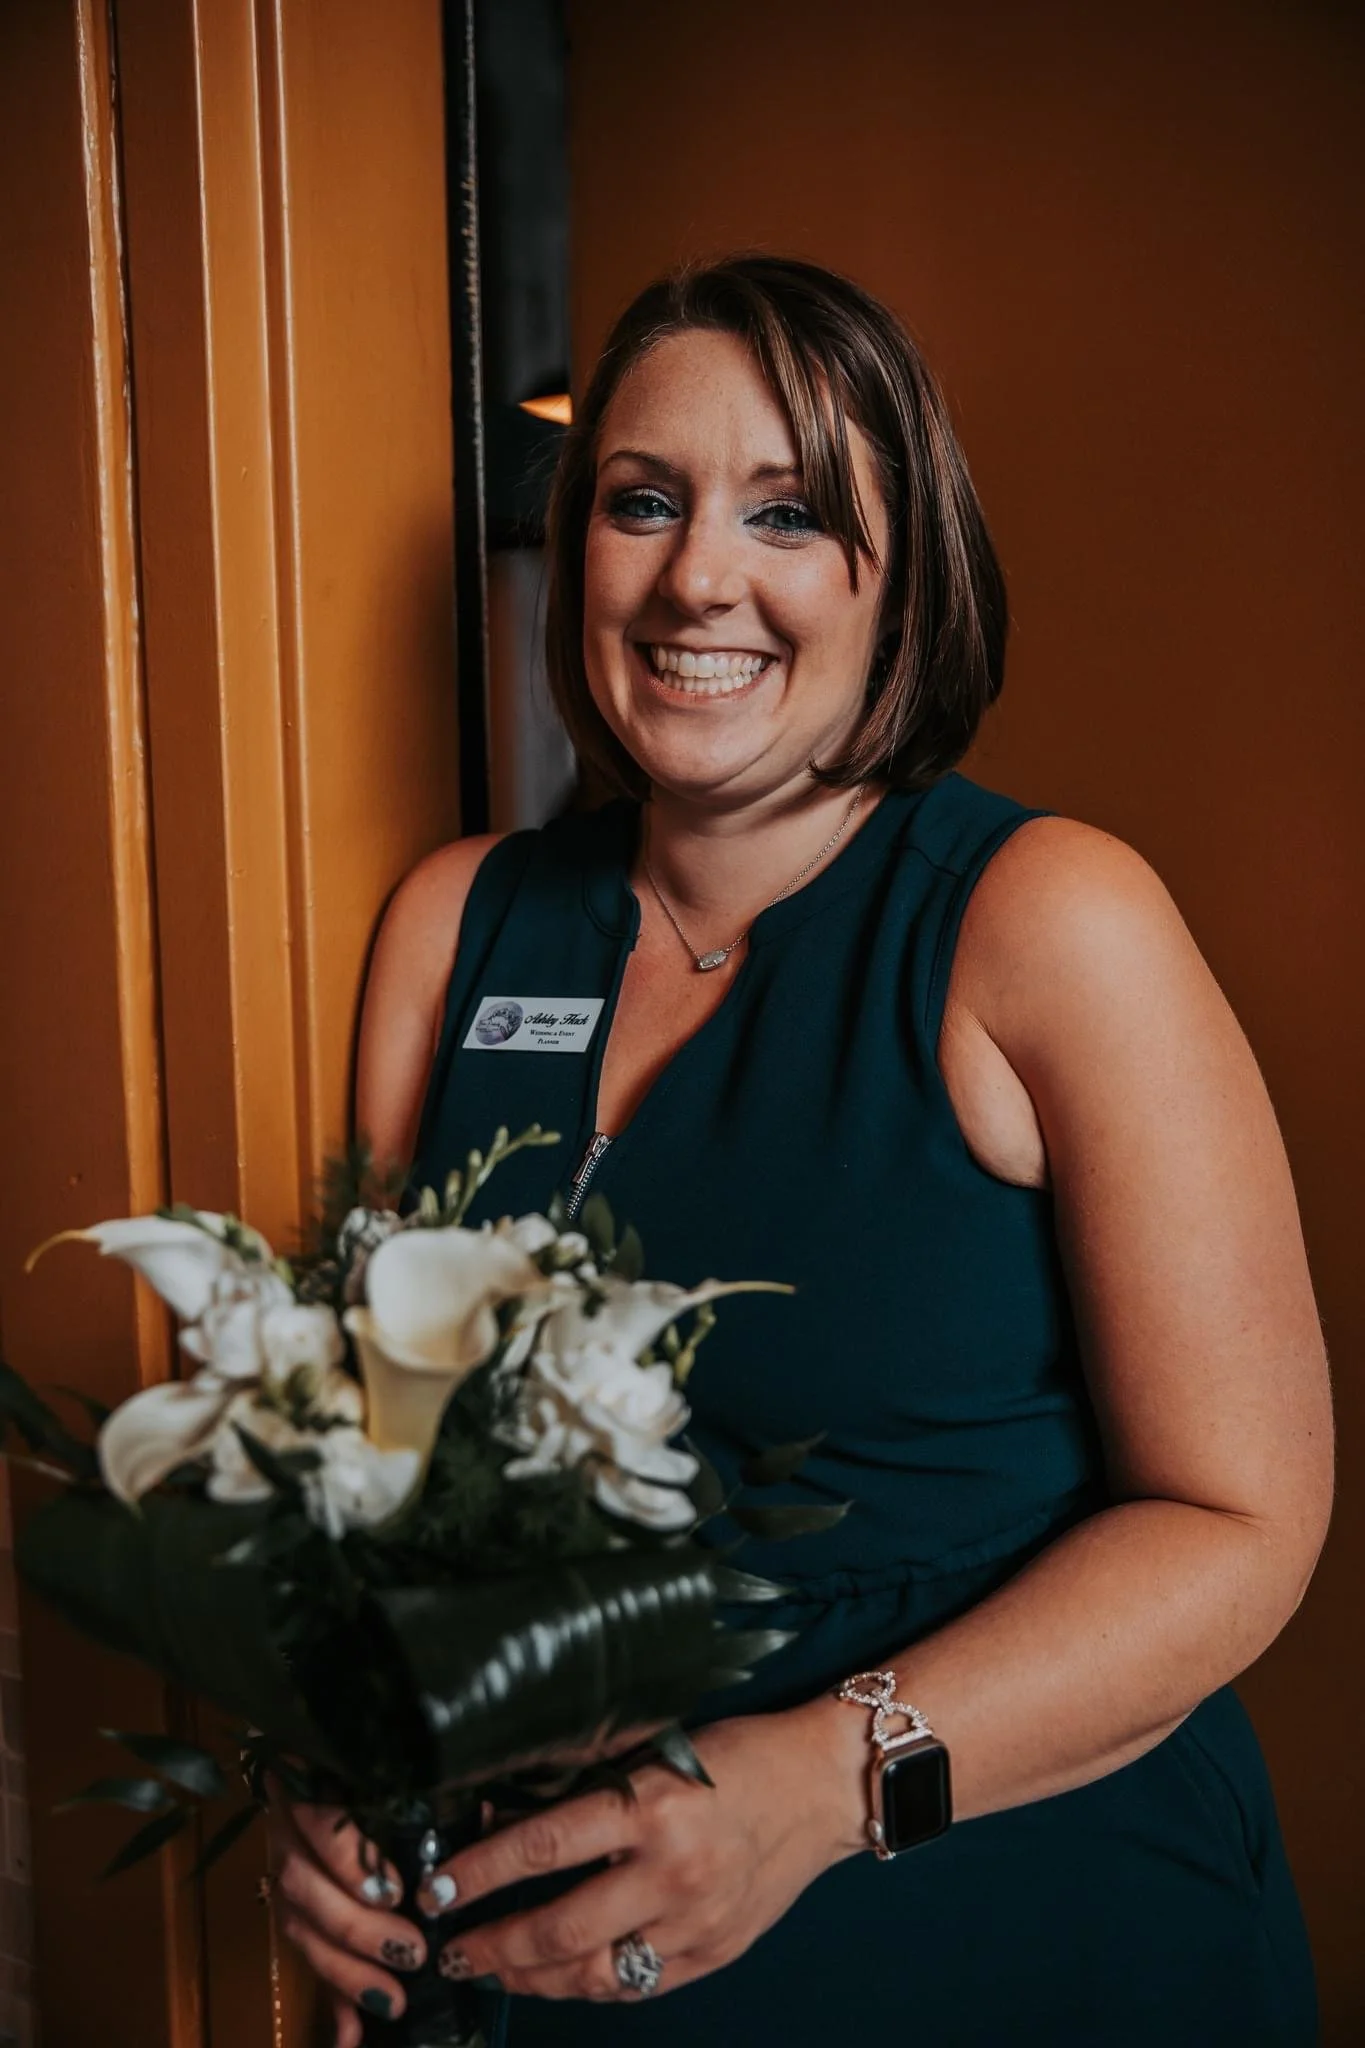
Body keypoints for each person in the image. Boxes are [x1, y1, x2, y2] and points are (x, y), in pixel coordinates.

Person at [268, 255, 1332, 2046]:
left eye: (789, 511)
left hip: (1008, 1929)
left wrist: (821, 1787)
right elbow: (371, 1475)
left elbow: (1242, 1523)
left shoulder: (1045, 918)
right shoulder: (454, 927)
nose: (699, 576)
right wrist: (315, 1744)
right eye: (641, 502)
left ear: (901, 578)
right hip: (549, 1968)